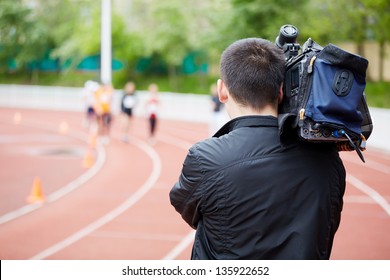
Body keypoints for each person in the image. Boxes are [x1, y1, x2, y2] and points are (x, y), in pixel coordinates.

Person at [169, 38, 346, 260]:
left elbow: (186, 207)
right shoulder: (329, 159)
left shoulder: (206, 158)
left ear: (222, 90)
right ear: (281, 92)